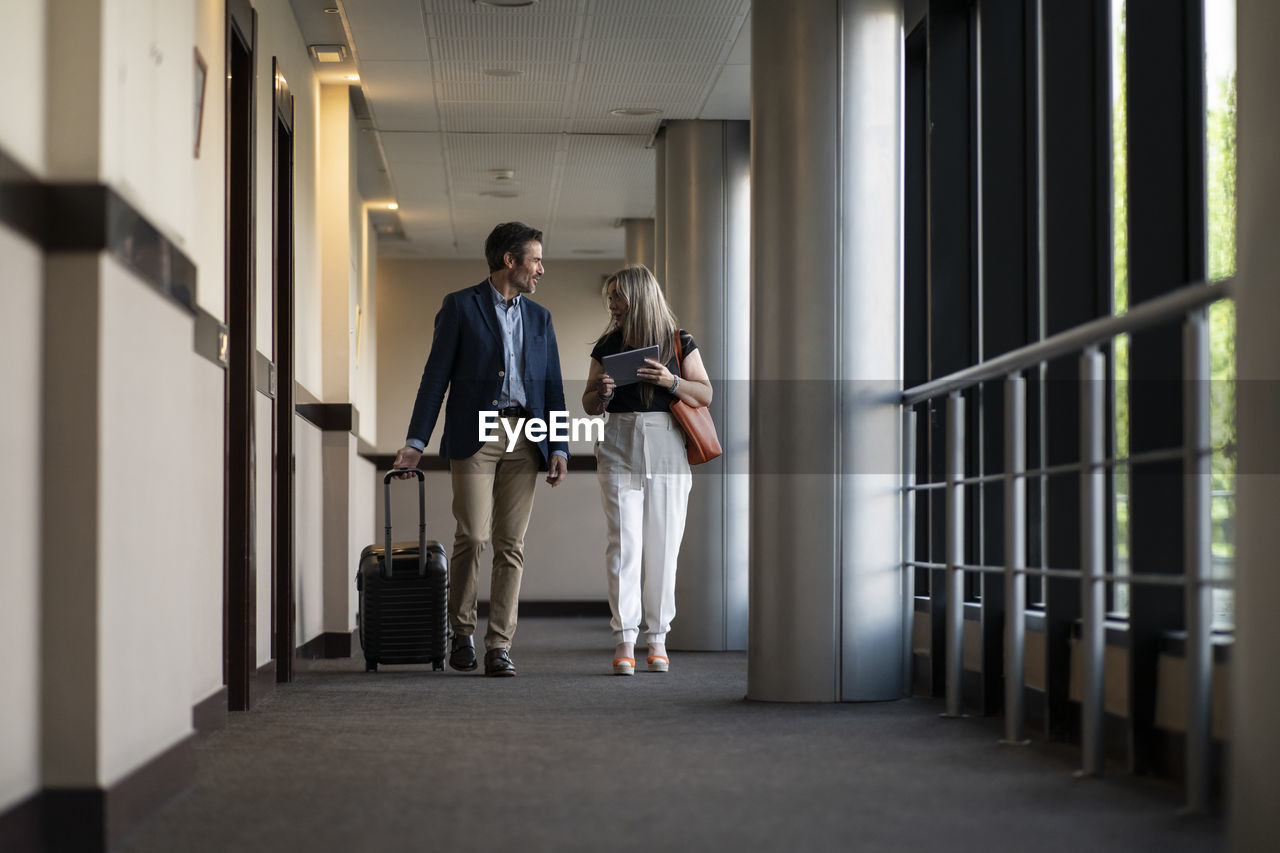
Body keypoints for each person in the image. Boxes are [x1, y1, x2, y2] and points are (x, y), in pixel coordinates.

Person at [393, 222, 569, 678]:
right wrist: (416, 442)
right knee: (473, 534)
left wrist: (560, 446)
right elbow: (435, 380)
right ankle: (462, 631)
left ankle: (500, 645)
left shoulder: (540, 318)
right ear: (509, 261)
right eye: (535, 259)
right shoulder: (459, 306)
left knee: (511, 543)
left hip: (524, 436)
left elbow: (552, 389)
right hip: (476, 433)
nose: (541, 269)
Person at [582, 265, 712, 675]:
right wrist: (600, 394)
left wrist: (671, 381)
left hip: (667, 443)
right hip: (619, 441)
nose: (612, 303)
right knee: (624, 544)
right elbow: (588, 402)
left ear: (637, 297)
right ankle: (625, 641)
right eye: (610, 296)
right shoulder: (607, 344)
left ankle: (657, 640)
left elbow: (705, 392)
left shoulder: (678, 341)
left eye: (617, 295)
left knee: (663, 545)